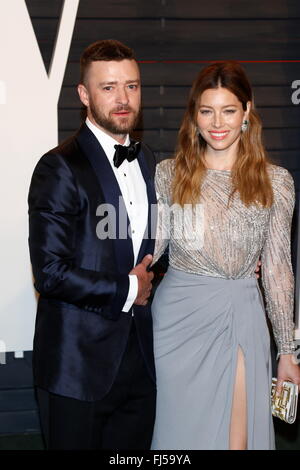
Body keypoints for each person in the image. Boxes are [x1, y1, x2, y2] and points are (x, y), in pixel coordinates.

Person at [150, 61, 300, 450]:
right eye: (206, 110)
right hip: (178, 321)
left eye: (229, 110)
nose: (217, 122)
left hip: (239, 314)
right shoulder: (169, 174)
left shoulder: (275, 182)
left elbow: (279, 270)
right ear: (194, 115)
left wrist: (287, 350)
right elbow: (152, 247)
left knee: (236, 440)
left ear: (246, 112)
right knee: (179, 438)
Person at [28, 39, 157, 450]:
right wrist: (129, 288)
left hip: (140, 364)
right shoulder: (58, 167)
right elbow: (50, 272)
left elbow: (160, 247)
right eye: (108, 87)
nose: (123, 99)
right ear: (84, 94)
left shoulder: (150, 160)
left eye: (132, 86)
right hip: (78, 372)